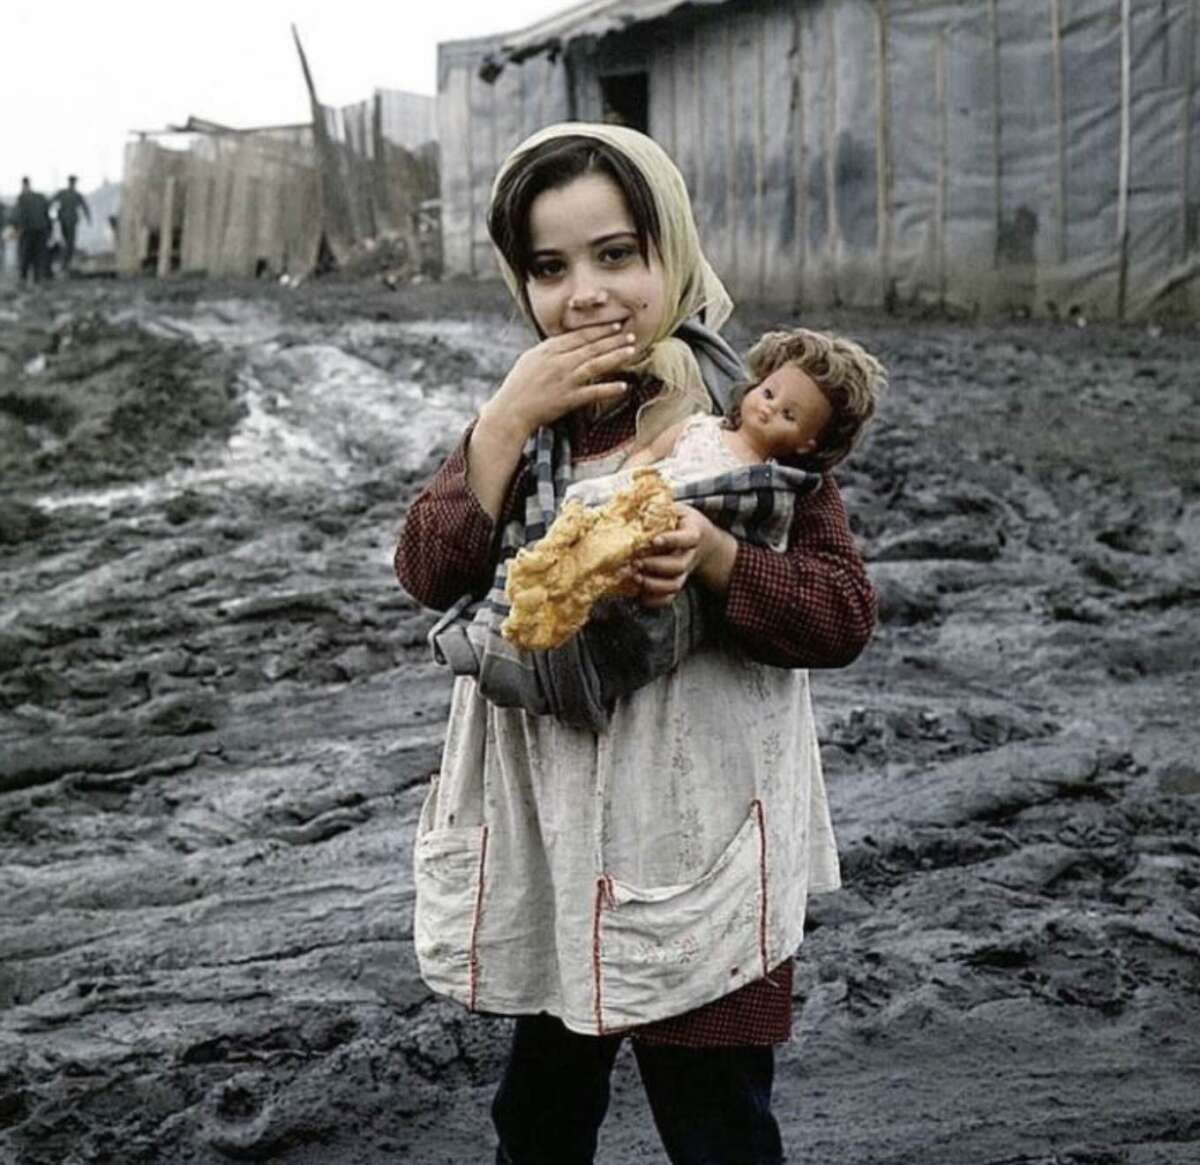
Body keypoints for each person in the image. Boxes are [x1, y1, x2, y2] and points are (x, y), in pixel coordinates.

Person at [394, 122, 877, 1165]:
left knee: (716, 1127)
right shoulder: (534, 422)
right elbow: (430, 571)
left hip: (696, 830)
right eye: (550, 268)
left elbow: (840, 613)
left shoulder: (748, 423)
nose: (588, 295)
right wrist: (501, 422)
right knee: (539, 1118)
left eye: (619, 254)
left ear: (673, 246)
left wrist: (713, 557)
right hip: (559, 838)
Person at [565, 326, 887, 531]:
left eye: (788, 415)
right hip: (639, 500)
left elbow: (759, 532)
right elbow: (650, 452)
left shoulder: (769, 483)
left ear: (808, 443)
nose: (769, 408)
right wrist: (625, 485)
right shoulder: (701, 427)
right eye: (768, 393)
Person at [13, 177, 52, 283]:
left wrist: (18, 229)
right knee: (38, 255)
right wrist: (49, 230)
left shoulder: (22, 197)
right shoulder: (40, 196)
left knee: (25, 254)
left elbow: (19, 215)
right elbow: (47, 214)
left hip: (29, 230)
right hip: (41, 229)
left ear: (24, 185)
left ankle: (24, 278)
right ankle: (37, 278)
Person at [50, 175, 91, 272]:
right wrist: (53, 216)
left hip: (67, 221)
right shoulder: (73, 194)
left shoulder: (67, 193)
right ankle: (66, 263)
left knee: (68, 242)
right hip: (68, 221)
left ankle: (65, 263)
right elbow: (85, 207)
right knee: (69, 243)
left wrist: (52, 217)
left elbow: (51, 203)